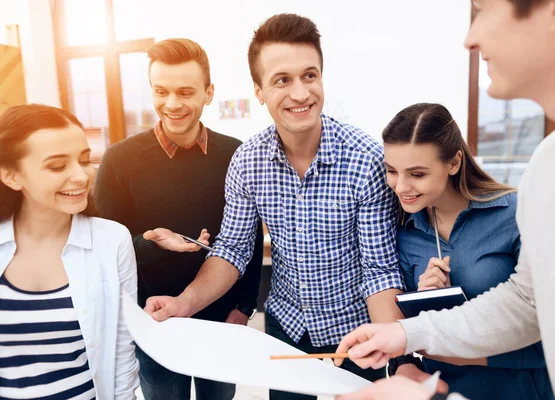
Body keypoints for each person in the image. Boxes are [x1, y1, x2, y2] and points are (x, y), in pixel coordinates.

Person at [335, 0, 555, 398]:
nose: (470, 39)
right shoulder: (546, 169)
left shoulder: (514, 205)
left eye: (486, 10)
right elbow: (526, 303)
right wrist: (405, 335)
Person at [141, 14, 405, 400]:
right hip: (286, 334)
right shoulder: (248, 162)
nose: (300, 94)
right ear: (260, 91)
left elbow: (379, 269)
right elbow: (232, 250)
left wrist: (396, 354)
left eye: (310, 76)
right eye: (282, 80)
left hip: (357, 332)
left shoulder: (365, 159)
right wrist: (184, 303)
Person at [94, 38, 263, 400]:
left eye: (185, 91)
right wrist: (152, 242)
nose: (172, 104)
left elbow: (247, 239)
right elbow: (104, 249)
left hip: (221, 318)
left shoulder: (237, 154)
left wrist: (244, 307)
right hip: (154, 320)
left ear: (208, 92)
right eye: (161, 91)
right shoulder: (119, 160)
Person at [383, 102, 554, 399]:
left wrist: (468, 355)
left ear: (453, 162)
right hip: (450, 390)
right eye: (391, 171)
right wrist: (426, 300)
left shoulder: (515, 214)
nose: (401, 186)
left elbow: (554, 329)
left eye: (417, 174)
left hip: (523, 389)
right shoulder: (405, 234)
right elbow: (416, 333)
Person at [0, 104, 139, 399]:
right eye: (57, 166)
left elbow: (123, 351)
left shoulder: (112, 241)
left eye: (85, 159)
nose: (81, 176)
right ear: (11, 176)